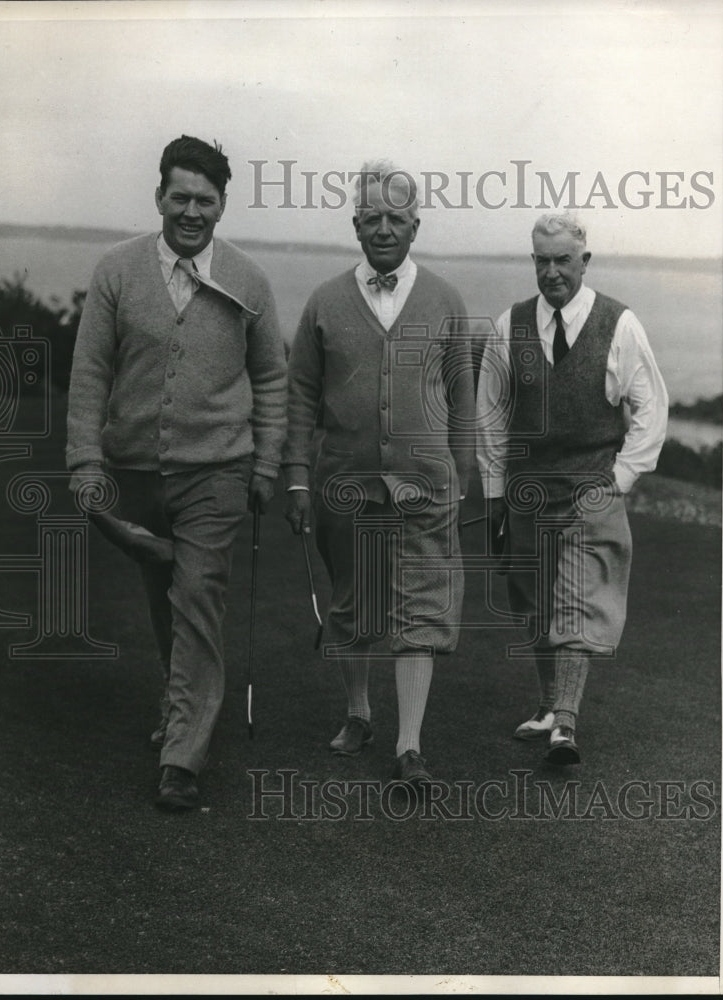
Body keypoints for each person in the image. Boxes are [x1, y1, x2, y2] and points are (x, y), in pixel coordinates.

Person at [66, 135, 287, 809]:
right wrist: (84, 464)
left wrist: (267, 463)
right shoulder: (116, 270)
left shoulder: (248, 280)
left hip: (217, 471)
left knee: (197, 600)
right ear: (159, 195)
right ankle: (178, 699)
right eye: (180, 197)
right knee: (163, 594)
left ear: (223, 205)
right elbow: (89, 374)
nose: (192, 211)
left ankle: (182, 759)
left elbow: (272, 377)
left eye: (206, 200)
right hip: (134, 470)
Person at [283, 160, 475, 789]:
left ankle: (409, 747)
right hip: (344, 481)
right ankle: (358, 711)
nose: (384, 228)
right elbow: (299, 398)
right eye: (373, 218)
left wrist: (464, 469)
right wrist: (296, 479)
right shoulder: (324, 302)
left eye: (397, 218)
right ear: (356, 224)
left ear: (416, 226)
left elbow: (463, 399)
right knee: (355, 603)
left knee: (419, 608)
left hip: (427, 482)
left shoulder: (446, 300)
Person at [476, 213, 668, 765]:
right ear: (532, 261)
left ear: (585, 261)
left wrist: (619, 480)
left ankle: (565, 723)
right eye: (542, 260)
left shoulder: (620, 324)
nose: (552, 272)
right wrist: (493, 494)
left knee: (578, 607)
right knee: (537, 607)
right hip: (527, 492)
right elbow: (490, 418)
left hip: (592, 493)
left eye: (564, 260)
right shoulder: (507, 327)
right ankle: (546, 706)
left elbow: (651, 410)